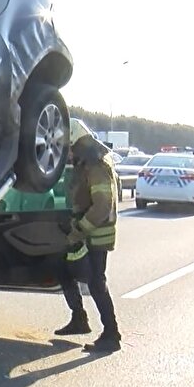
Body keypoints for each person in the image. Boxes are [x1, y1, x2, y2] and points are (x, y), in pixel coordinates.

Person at [54, 121, 121, 352]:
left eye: (69, 147)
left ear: (78, 143)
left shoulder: (97, 167)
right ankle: (79, 318)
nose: (68, 152)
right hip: (87, 232)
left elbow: (102, 206)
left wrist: (78, 230)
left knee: (96, 282)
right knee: (64, 271)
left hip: (95, 235)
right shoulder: (85, 165)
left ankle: (112, 334)